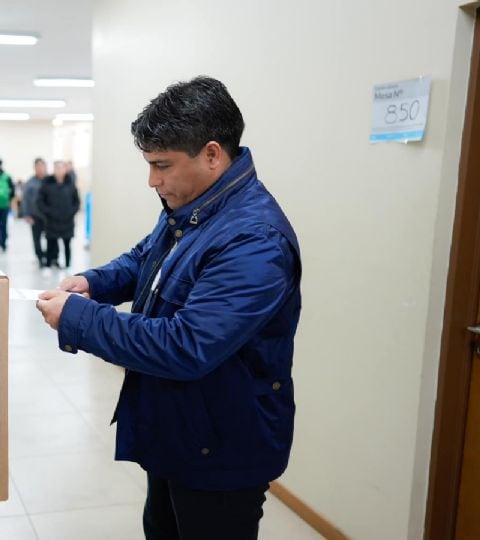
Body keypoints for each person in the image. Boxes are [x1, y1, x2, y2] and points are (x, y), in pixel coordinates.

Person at [35, 76, 302, 540]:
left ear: (213, 154)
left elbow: (187, 344)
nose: (152, 181)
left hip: (223, 448)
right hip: (180, 430)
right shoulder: (196, 205)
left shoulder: (254, 241)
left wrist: (79, 319)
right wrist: (93, 283)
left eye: (162, 166)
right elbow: (146, 259)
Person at [37, 160, 80, 269]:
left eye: (61, 168)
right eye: (57, 168)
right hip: (52, 221)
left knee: (67, 244)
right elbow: (40, 201)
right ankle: (49, 264)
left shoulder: (71, 184)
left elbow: (77, 201)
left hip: (67, 221)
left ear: (65, 170)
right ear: (54, 170)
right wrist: (48, 212)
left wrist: (71, 211)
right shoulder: (47, 183)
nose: (59, 170)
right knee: (51, 244)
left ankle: (67, 265)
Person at [22, 158, 48, 267]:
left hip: (48, 216)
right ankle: (40, 257)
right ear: (34, 168)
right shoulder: (30, 183)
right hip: (35, 216)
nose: (40, 169)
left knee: (51, 239)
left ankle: (50, 257)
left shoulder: (49, 181)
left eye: (42, 166)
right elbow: (25, 200)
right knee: (36, 239)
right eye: (38, 166)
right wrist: (27, 215)